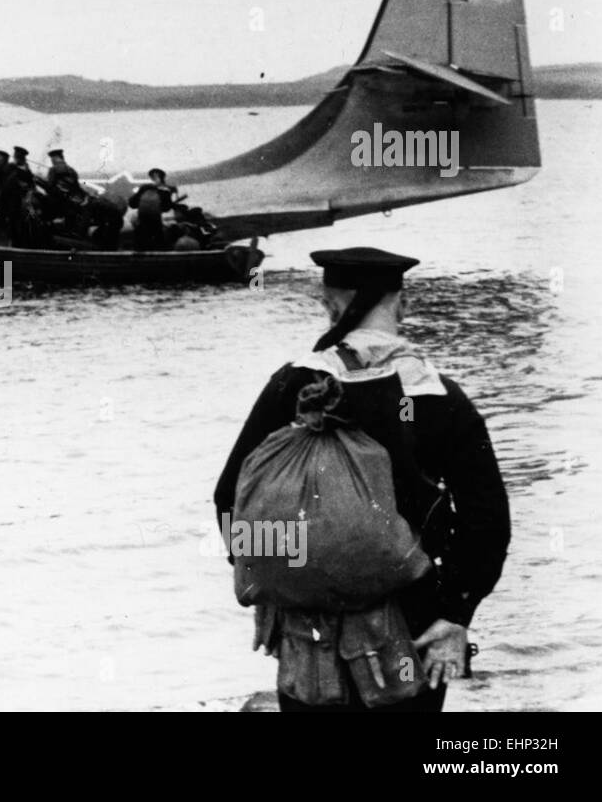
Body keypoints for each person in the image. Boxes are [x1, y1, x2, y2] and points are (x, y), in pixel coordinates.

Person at [213, 247, 510, 712]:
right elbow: (487, 520)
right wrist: (456, 614)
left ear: (331, 305)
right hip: (414, 623)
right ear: (401, 305)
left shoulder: (292, 385)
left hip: (304, 629)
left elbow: (230, 495)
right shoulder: (439, 395)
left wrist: (273, 580)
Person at [128, 168, 175, 250]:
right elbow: (167, 207)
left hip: (144, 222)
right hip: (156, 223)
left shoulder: (145, 189)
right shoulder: (166, 191)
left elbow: (132, 204)